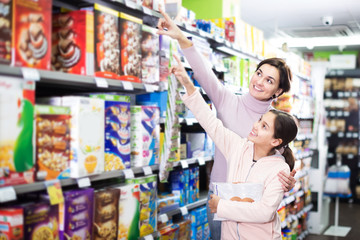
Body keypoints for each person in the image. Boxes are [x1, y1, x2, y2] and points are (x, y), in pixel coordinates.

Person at [156, 9, 296, 239]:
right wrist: (181, 37)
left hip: (254, 201)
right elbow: (204, 75)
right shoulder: (228, 101)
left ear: (278, 91)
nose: (259, 82)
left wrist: (286, 182)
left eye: (269, 80)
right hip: (220, 194)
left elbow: (278, 163)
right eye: (258, 73)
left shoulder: (274, 124)